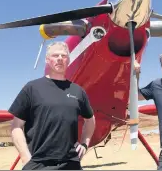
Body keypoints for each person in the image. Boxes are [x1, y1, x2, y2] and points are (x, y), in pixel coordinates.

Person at [8, 41, 96, 170]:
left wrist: (84, 143)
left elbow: (90, 119)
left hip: (70, 163)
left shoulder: (78, 91)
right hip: (38, 164)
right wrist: (25, 157)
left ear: (68, 60)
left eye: (64, 56)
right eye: (55, 55)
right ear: (47, 59)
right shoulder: (32, 88)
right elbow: (16, 126)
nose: (60, 59)